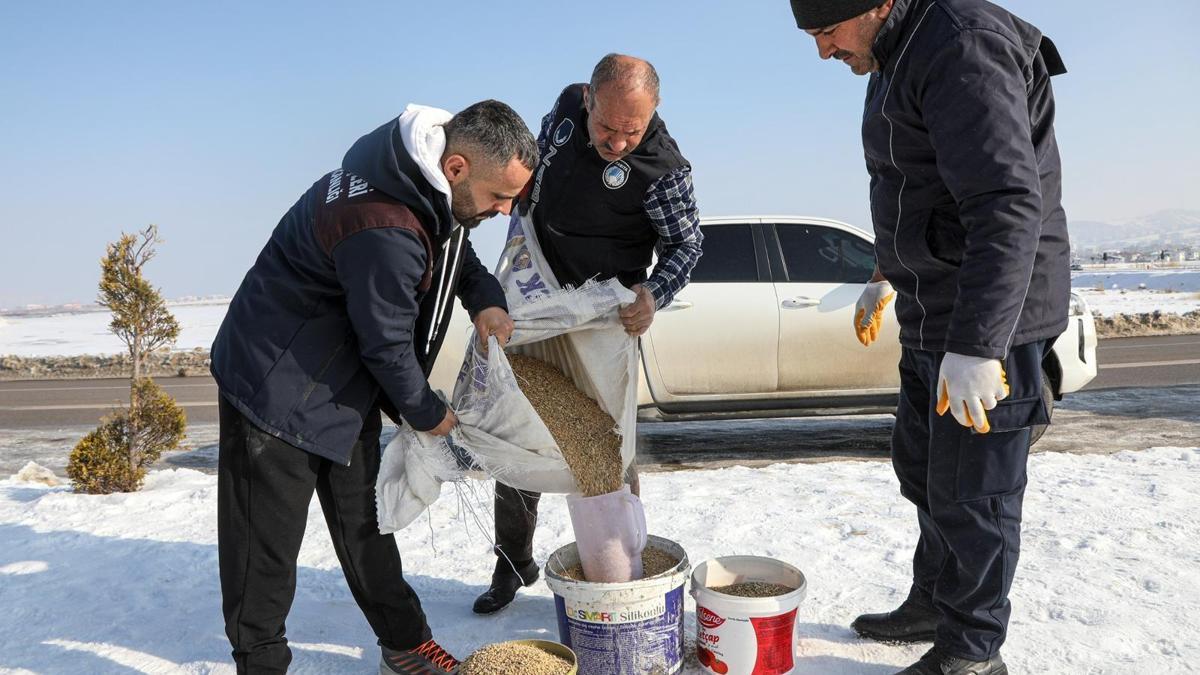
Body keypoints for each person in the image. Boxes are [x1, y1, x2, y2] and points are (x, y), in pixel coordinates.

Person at [789, 1, 1070, 673]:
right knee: (925, 469)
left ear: (877, 3)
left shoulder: (961, 45)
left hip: (989, 316)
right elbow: (915, 184)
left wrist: (979, 345)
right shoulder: (892, 52)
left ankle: (972, 650)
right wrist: (884, 272)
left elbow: (1005, 203)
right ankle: (936, 602)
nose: (823, 51)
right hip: (931, 308)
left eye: (827, 32)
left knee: (976, 492)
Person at [210, 100, 537, 674]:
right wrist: (427, 412)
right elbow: (386, 345)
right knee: (264, 549)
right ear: (457, 167)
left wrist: (486, 300)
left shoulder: (425, 189)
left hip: (341, 380)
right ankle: (260, 664)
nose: (505, 209)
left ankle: (406, 644)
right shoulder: (383, 221)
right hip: (275, 386)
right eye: (499, 196)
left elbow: (456, 256)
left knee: (367, 522)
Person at [472, 53, 703, 614]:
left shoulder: (664, 171)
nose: (618, 142)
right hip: (535, 294)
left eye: (633, 130)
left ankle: (617, 573)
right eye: (606, 126)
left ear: (654, 113)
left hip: (602, 316)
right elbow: (532, 175)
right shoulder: (563, 108)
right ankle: (512, 563)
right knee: (521, 428)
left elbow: (687, 245)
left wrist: (654, 294)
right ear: (588, 100)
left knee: (608, 447)